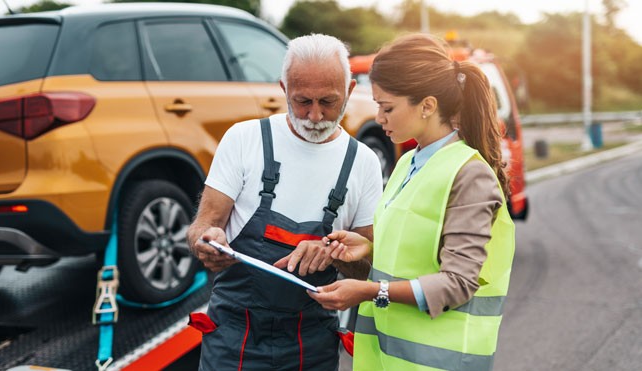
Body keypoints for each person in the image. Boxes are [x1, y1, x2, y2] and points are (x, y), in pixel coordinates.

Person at [309, 33, 516, 371]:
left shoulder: (469, 176)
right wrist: (367, 248)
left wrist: (368, 291)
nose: (379, 117)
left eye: (386, 107)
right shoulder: (408, 163)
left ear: (427, 105)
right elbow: (417, 255)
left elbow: (458, 283)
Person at [186, 33, 383, 371]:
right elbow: (203, 227)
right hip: (234, 336)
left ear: (350, 90)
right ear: (283, 88)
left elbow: (368, 267)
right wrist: (207, 241)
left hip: (312, 342)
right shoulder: (244, 140)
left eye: (328, 101)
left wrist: (332, 253)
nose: (315, 116)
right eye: (303, 101)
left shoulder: (363, 163)